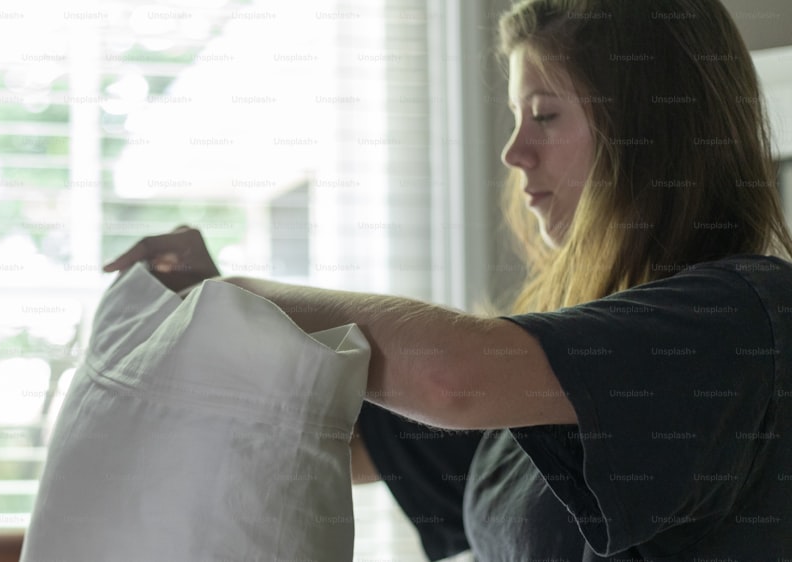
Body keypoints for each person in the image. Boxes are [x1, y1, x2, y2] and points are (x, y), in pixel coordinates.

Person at [103, 0, 792, 559]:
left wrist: (235, 299)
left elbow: (450, 379)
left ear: (651, 131)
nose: (514, 150)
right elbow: (330, 434)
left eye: (546, 115)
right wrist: (212, 308)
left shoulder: (745, 320)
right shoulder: (549, 376)